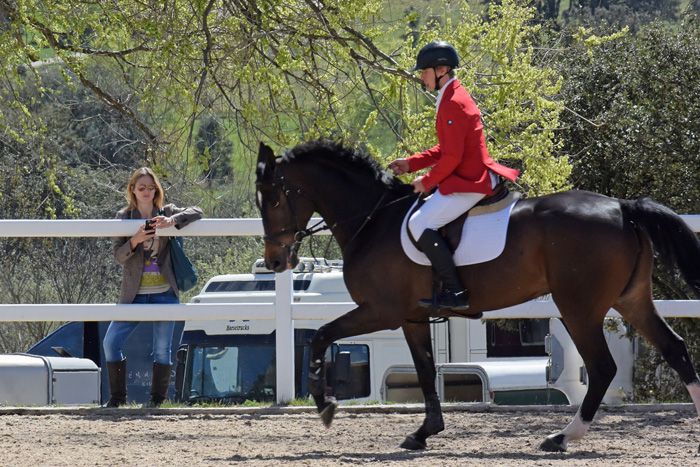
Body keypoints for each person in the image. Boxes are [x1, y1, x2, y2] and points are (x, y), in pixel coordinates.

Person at [389, 40, 520, 311]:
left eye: (423, 71)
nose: (420, 77)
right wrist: (411, 164)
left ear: (441, 70)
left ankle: (456, 292)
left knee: (419, 224)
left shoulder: (453, 102)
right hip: (466, 174)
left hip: (470, 181)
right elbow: (446, 148)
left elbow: (452, 158)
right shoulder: (451, 95)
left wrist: (426, 182)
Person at [104, 167, 203, 407]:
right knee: (111, 343)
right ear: (133, 191)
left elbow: (198, 211)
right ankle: (118, 399)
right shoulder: (124, 217)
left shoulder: (166, 211)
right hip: (133, 295)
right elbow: (118, 255)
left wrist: (172, 221)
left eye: (151, 187)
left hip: (164, 293)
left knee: (162, 348)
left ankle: (157, 401)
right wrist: (135, 240)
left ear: (156, 190)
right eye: (141, 188)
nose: (146, 192)